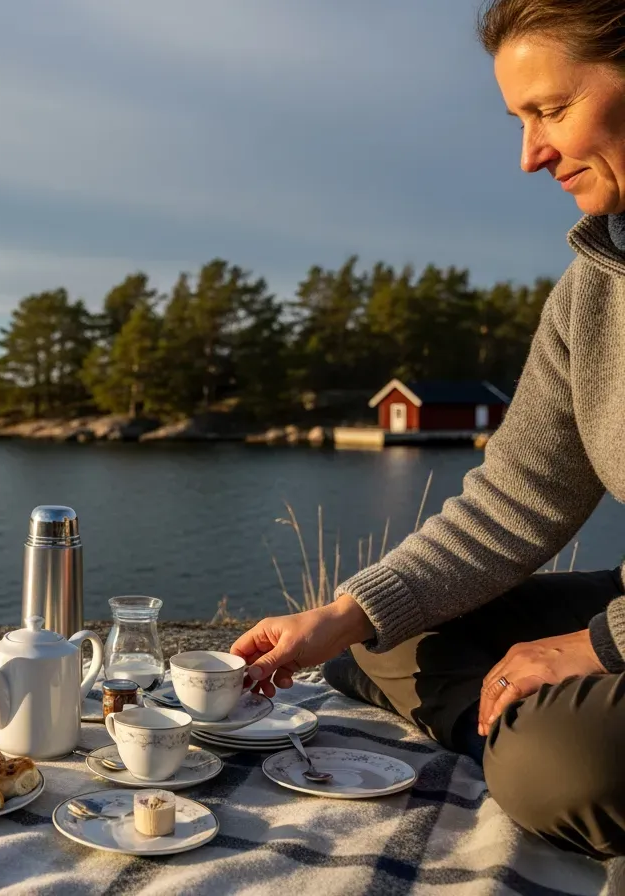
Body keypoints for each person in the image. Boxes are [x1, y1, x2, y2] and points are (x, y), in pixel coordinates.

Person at [232, 0, 625, 861]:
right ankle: (514, 721)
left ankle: (529, 744)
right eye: (521, 120)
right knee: (385, 639)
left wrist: (599, 645)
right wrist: (339, 615)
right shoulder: (593, 289)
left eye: (552, 111)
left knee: (567, 767)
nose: (532, 156)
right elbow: (513, 505)